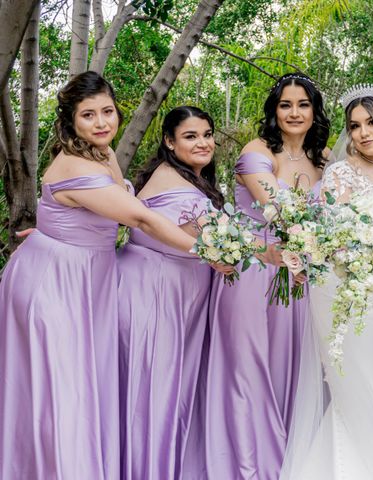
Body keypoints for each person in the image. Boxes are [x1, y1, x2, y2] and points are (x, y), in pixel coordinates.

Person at [0, 71, 199, 479]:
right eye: (89, 115)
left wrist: (52, 231)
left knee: (86, 388)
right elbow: (141, 218)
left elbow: (85, 213)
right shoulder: (76, 163)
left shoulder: (101, 153)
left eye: (108, 111)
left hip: (87, 276)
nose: (102, 122)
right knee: (63, 393)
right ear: (72, 120)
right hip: (57, 285)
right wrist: (205, 250)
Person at [280, 84, 373, 480]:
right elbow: (329, 238)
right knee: (351, 394)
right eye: (355, 126)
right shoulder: (342, 173)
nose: (362, 133)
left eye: (371, 123)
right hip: (346, 296)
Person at [195, 72, 330, 480]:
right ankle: (251, 469)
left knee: (294, 370)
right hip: (255, 274)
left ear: (314, 111)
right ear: (274, 110)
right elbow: (279, 207)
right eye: (285, 105)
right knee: (249, 373)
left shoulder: (324, 162)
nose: (294, 112)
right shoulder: (258, 151)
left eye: (303, 104)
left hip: (302, 280)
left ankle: (292, 462)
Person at [117, 106, 233, 479]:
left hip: (176, 296)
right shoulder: (174, 182)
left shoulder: (184, 177)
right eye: (190, 136)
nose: (203, 143)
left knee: (168, 393)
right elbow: (203, 238)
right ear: (169, 141)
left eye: (207, 134)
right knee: (156, 394)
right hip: (158, 299)